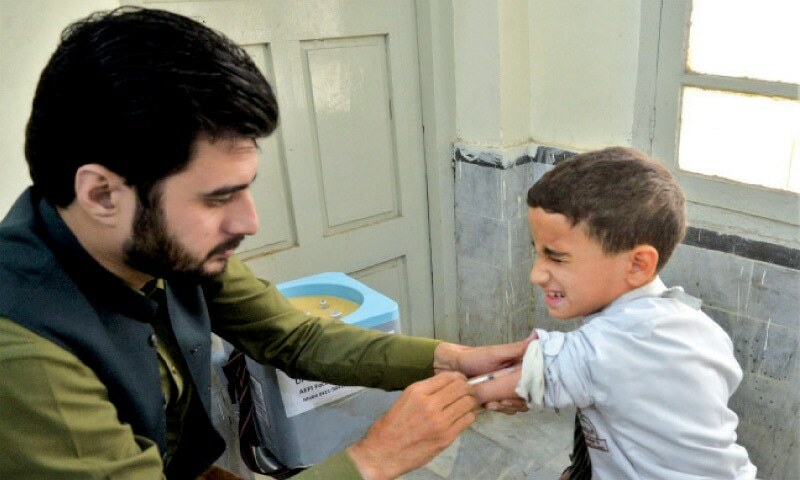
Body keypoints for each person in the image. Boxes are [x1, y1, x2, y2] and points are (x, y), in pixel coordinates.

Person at [0, 7, 527, 480]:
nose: (249, 222)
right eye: (216, 198)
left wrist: (453, 360)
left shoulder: (163, 249)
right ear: (101, 193)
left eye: (246, 189)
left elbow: (294, 339)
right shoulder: (25, 356)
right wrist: (374, 458)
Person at [471, 147, 758, 479]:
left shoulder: (609, 348)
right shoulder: (695, 324)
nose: (536, 274)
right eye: (537, 253)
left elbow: (485, 387)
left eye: (557, 257)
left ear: (637, 265)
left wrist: (450, 388)